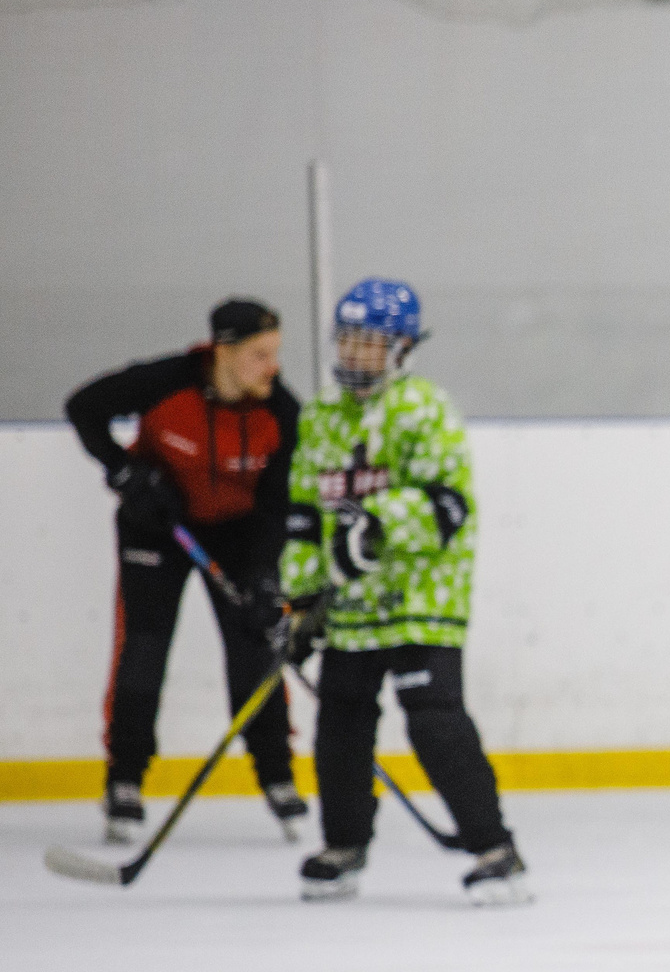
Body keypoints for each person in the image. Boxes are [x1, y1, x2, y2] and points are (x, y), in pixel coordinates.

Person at [280, 278, 530, 906]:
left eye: (372, 344)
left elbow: (447, 503)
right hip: (352, 605)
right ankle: (343, 847)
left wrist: (376, 526)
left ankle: (496, 850)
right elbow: (307, 515)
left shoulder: (424, 408)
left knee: (435, 722)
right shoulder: (321, 417)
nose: (357, 355)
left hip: (423, 596)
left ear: (402, 349)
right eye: (349, 341)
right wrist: (300, 601)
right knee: (340, 718)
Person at [65, 298, 305, 844]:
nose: (274, 367)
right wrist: (126, 473)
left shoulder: (283, 413)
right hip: (158, 524)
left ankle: (276, 775)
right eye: (260, 355)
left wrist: (266, 575)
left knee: (254, 648)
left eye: (276, 354)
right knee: (143, 649)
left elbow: (276, 507)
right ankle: (124, 778)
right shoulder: (166, 381)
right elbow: (83, 405)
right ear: (223, 351)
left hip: (239, 534)